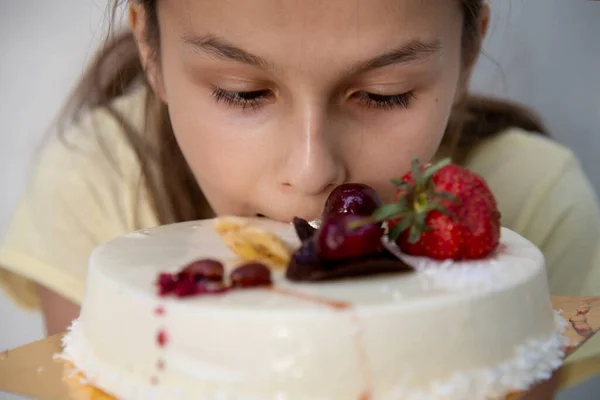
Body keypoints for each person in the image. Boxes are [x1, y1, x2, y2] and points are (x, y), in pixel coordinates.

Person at [1, 0, 599, 366]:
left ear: (464, 59)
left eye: (384, 95)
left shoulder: (537, 211)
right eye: (243, 92)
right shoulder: (94, 188)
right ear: (152, 53)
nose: (313, 173)